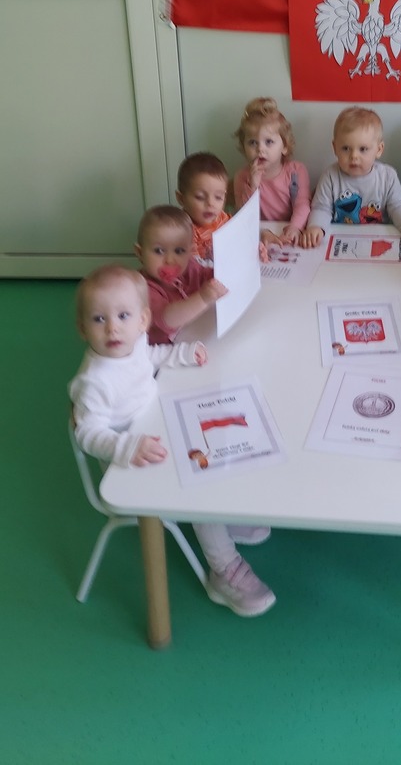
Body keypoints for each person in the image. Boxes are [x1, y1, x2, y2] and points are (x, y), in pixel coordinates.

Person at [69, 264, 276, 616]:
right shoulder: (94, 381)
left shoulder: (131, 345)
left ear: (143, 321)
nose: (113, 328)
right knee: (199, 483)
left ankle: (222, 519)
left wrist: (182, 354)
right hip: (129, 462)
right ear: (82, 328)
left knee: (215, 439)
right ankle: (224, 569)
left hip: (154, 427)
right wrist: (125, 447)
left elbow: (149, 356)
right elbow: (86, 433)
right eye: (99, 319)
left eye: (122, 316)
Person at [302, 106, 401, 247]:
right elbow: (321, 208)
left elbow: (397, 207)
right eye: (346, 148)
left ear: (379, 149)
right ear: (335, 148)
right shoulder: (330, 176)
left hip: (377, 239)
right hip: (340, 240)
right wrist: (316, 227)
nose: (354, 156)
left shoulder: (387, 176)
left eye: (363, 149)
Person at [134, 205, 227, 344]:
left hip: (194, 334)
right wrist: (202, 298)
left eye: (179, 251)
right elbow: (168, 319)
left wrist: (243, 259)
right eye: (159, 251)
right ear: (140, 253)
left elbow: (211, 275)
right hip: (163, 350)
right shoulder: (141, 288)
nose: (170, 260)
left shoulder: (189, 266)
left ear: (190, 252)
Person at [233, 97, 311, 246]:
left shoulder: (296, 171)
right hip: (259, 236)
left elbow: (302, 204)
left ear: (284, 147)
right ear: (244, 147)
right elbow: (243, 216)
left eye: (269, 142)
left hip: (289, 232)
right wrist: (253, 186)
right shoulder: (241, 177)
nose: (260, 149)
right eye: (252, 142)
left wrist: (295, 227)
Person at [176, 151, 231, 266]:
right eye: (200, 197)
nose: (211, 204)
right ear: (181, 198)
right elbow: (194, 266)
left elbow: (239, 234)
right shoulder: (184, 230)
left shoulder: (222, 217)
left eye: (218, 197)